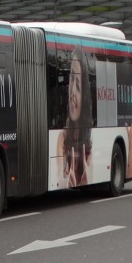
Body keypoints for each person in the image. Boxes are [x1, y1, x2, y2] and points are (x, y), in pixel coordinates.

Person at [57, 47, 92, 187]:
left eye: (78, 85)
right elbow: (58, 177)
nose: (72, 92)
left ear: (84, 94)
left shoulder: (91, 143)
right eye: (71, 80)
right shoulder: (62, 138)